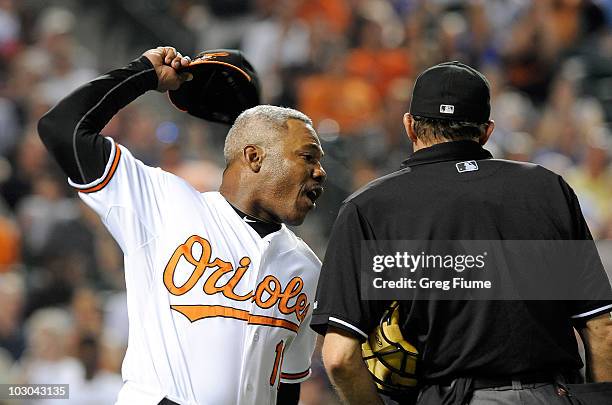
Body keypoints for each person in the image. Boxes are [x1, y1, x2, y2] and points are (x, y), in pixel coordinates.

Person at [310, 61, 612, 404]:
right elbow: (601, 328)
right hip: (552, 394)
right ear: (487, 131)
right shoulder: (547, 188)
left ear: (409, 126)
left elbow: (339, 358)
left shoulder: (370, 207)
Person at [38, 46, 326, 405]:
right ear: (254, 156)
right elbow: (62, 128)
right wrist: (143, 74)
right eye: (308, 156)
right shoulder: (166, 202)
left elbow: (286, 386)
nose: (320, 172)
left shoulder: (308, 267)